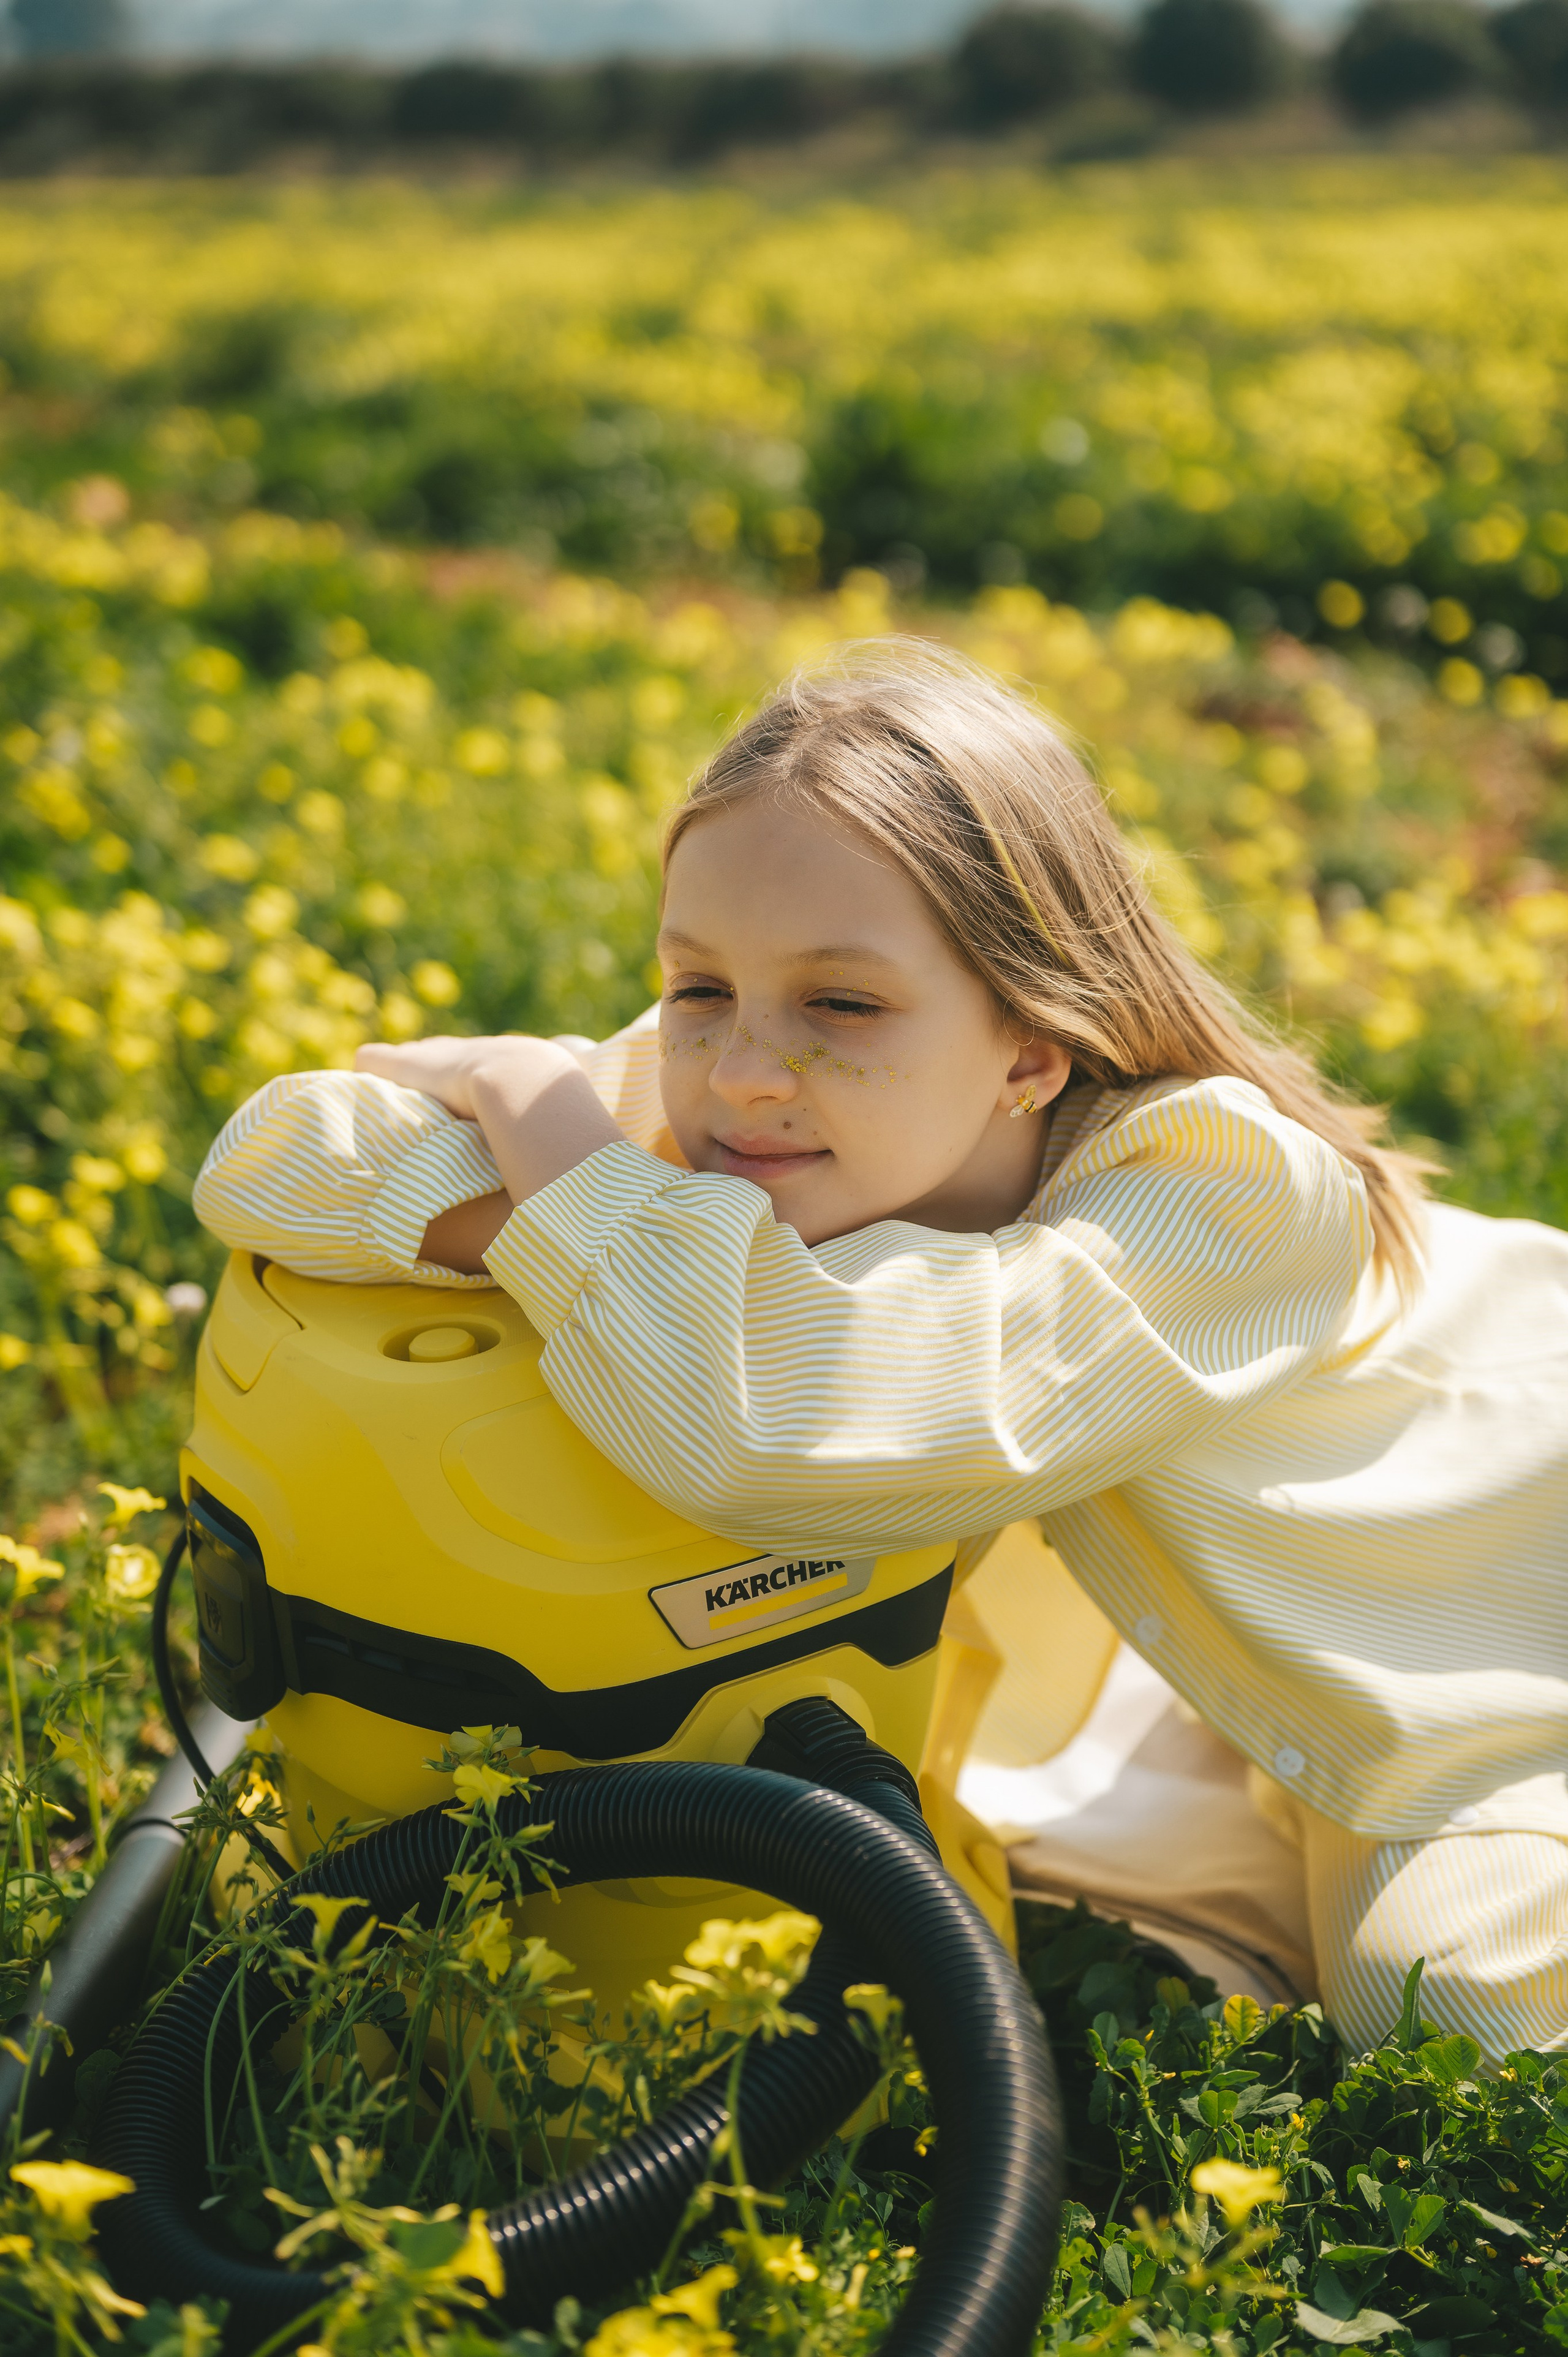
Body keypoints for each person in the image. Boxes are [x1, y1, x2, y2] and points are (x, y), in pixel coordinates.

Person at [195, 642, 1568, 2062]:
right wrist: (569, 1192)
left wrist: (542, 1132)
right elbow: (277, 1157)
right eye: (696, 987)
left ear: (1032, 1049)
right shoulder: (733, 1108)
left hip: (1479, 1631)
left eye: (842, 1005)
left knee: (1453, 2018)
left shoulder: (1223, 1189)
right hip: (1238, 1640)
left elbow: (769, 1426)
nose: (740, 1072)